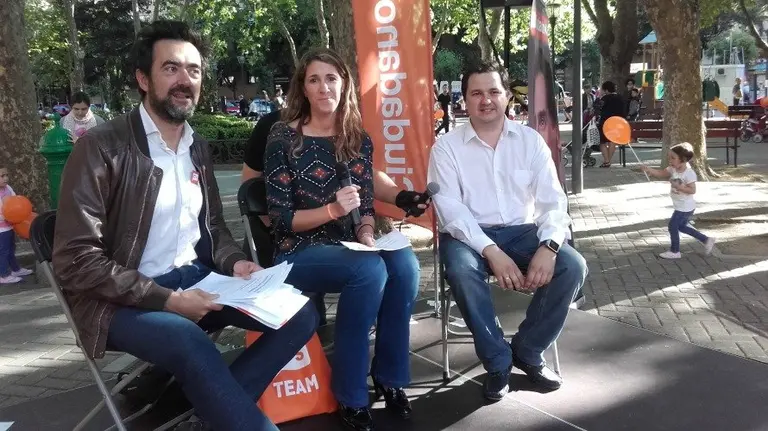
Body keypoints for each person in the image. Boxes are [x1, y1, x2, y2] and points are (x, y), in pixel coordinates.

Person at [51, 21, 318, 431]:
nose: (184, 80)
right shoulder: (101, 146)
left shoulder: (196, 145)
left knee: (299, 313)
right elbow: (74, 260)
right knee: (187, 340)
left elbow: (213, 226)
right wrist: (167, 300)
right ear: (143, 79)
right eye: (171, 68)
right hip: (117, 298)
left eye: (193, 71)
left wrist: (236, 265)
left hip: (193, 278)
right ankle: (229, 414)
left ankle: (214, 413)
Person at [264, 48, 420, 431]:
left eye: (331, 78)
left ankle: (390, 377)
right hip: (297, 250)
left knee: (405, 265)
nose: (323, 87)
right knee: (368, 273)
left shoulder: (356, 138)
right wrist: (332, 211)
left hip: (350, 246)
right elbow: (280, 220)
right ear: (303, 87)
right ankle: (351, 393)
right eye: (314, 79)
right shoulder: (283, 137)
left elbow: (365, 203)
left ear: (344, 84)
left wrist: (366, 232)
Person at [428, 62, 588, 402]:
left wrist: (550, 245)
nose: (486, 100)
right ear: (464, 101)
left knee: (572, 266)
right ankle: (498, 361)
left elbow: (553, 200)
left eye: (493, 91)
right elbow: (452, 212)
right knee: (460, 269)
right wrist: (491, 251)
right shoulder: (446, 147)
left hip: (522, 232)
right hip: (468, 237)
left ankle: (528, 350)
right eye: (476, 93)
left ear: (507, 98)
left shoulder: (530, 142)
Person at [640, 143, 715, 259]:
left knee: (672, 226)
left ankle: (675, 251)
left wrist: (679, 186)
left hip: (685, 207)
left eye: (673, 158)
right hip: (681, 206)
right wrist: (648, 169)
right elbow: (660, 173)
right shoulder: (672, 169)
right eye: (669, 157)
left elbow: (692, 190)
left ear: (683, 159)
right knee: (681, 227)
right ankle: (706, 240)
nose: (670, 160)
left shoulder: (688, 173)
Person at [0, 167, 33, 284]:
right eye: (1, 176)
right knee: (3, 251)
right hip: (1, 228)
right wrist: (5, 216)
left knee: (11, 248)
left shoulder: (8, 189)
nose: (5, 178)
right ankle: (3, 275)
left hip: (10, 225)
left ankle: (15, 269)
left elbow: (15, 201)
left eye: (6, 175)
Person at [596, 81, 626, 168]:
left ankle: (606, 161)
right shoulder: (620, 97)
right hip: (617, 122)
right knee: (612, 141)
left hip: (605, 122)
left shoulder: (604, 99)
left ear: (606, 90)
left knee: (602, 142)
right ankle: (608, 160)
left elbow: (597, 110)